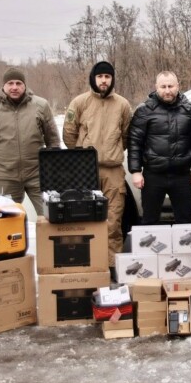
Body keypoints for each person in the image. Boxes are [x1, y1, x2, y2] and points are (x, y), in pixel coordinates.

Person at [63, 61, 132, 273]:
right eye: (100, 76)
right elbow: (69, 134)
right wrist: (82, 156)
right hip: (85, 171)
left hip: (113, 171)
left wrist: (112, 151)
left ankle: (111, 266)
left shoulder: (123, 104)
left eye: (107, 77)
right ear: (93, 78)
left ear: (112, 79)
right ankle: (87, 264)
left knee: (113, 220)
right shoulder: (79, 102)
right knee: (85, 219)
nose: (103, 80)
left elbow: (126, 135)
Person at [0, 67, 60, 215]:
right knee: (6, 220)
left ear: (25, 85)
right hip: (5, 176)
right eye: (10, 83)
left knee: (50, 216)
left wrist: (53, 173)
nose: (14, 87)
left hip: (38, 174)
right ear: (3, 85)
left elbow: (53, 142)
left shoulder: (41, 105)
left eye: (19, 83)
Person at [128, 71, 191, 225]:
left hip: (182, 175)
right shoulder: (144, 110)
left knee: (185, 222)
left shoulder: (190, 110)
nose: (167, 91)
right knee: (149, 221)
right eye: (163, 87)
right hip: (153, 175)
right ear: (156, 87)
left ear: (178, 86)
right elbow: (135, 142)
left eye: (171, 86)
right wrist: (135, 171)